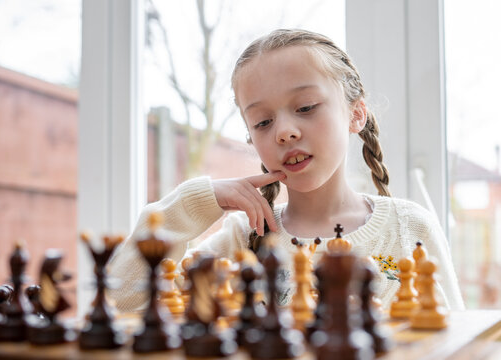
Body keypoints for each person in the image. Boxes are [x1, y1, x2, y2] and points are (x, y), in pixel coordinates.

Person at [108, 29, 464, 312]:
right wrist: (195, 203)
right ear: (251, 138)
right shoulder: (241, 239)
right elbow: (122, 303)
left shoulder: (409, 227)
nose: (284, 131)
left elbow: (458, 344)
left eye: (306, 107)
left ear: (356, 114)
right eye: (263, 122)